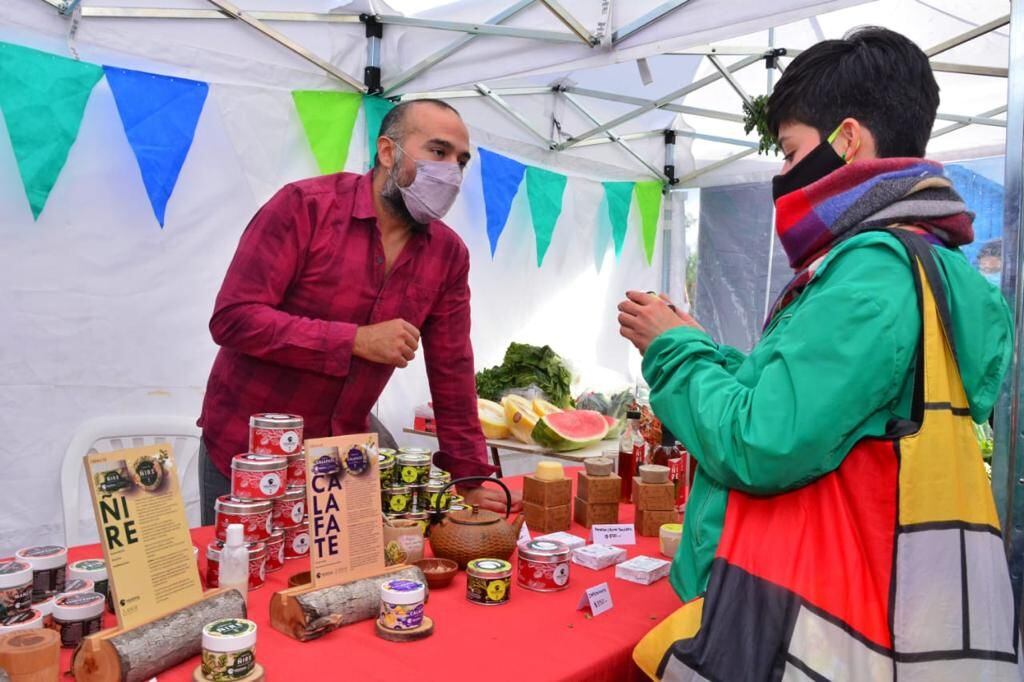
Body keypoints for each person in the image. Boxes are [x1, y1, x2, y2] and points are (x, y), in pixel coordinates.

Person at [621, 28, 1019, 680]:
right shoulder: (927, 267)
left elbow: (762, 440)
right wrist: (699, 345)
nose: (783, 174)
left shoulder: (873, 271)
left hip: (818, 619)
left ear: (850, 139)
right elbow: (809, 406)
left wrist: (671, 351)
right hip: (884, 602)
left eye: (791, 150)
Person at [198, 99, 522, 523]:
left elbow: (453, 371)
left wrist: (471, 478)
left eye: (460, 162)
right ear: (388, 152)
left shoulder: (448, 255)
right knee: (242, 584)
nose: (451, 174)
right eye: (438, 153)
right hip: (250, 456)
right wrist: (354, 341)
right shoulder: (304, 207)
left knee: (344, 588)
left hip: (344, 460)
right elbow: (234, 318)